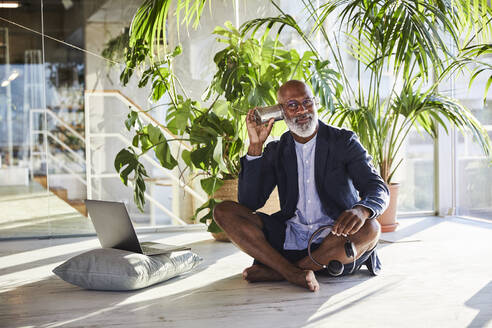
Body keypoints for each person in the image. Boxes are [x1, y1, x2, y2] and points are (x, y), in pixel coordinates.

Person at [213, 80, 390, 292]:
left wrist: (361, 210)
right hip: (290, 234)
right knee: (223, 211)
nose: (303, 110)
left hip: (335, 236)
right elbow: (250, 202)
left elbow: (377, 187)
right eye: (292, 105)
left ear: (315, 104)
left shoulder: (343, 141)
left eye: (307, 102)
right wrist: (255, 147)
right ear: (280, 112)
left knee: (371, 227)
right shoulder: (276, 149)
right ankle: (293, 272)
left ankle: (282, 271)